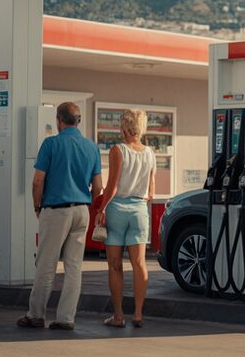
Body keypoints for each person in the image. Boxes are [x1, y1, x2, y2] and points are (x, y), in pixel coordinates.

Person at [18, 102, 102, 331]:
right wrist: (87, 205)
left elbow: (38, 181)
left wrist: (37, 206)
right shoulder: (91, 147)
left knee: (46, 264)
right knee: (74, 267)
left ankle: (36, 315)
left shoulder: (51, 144)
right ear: (79, 121)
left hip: (56, 210)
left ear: (59, 120)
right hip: (81, 210)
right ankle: (66, 318)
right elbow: (98, 187)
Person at [95, 109, 156, 328]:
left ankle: (118, 315)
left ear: (123, 127)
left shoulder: (118, 150)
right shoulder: (150, 153)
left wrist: (101, 209)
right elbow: (151, 192)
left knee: (115, 265)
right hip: (140, 210)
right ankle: (138, 314)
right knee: (139, 264)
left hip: (117, 209)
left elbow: (112, 186)